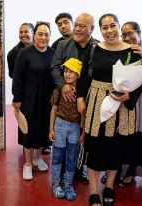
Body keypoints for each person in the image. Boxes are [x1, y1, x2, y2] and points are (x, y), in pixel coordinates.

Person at [77, 14, 142, 206]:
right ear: (100, 30)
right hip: (97, 102)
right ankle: (94, 191)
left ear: (119, 26)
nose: (109, 30)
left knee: (115, 148)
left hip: (121, 106)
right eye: (104, 27)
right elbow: (83, 78)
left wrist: (130, 95)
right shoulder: (93, 49)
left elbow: (141, 80)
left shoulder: (133, 51)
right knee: (94, 147)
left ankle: (110, 186)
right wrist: (80, 98)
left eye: (113, 25)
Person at [50, 13, 99, 182]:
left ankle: (80, 170)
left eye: (82, 26)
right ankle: (63, 174)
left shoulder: (98, 47)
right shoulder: (63, 45)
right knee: (64, 140)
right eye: (76, 25)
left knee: (83, 138)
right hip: (66, 100)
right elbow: (54, 67)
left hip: (89, 100)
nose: (77, 29)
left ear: (91, 29)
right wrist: (63, 85)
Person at [117, 21, 142, 186]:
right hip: (122, 101)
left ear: (139, 33)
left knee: (137, 139)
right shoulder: (122, 52)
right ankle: (117, 169)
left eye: (130, 33)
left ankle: (131, 171)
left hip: (141, 103)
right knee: (120, 138)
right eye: (124, 34)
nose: (127, 37)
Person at [12, 22, 54, 180]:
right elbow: (17, 77)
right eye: (40, 34)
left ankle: (38, 158)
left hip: (46, 99)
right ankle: (28, 164)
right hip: (28, 99)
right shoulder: (24, 53)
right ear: (34, 35)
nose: (43, 37)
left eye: (46, 34)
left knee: (43, 129)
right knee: (28, 131)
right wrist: (17, 98)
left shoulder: (52, 53)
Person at [49, 57, 84, 201]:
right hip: (60, 124)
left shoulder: (82, 92)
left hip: (75, 127)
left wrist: (83, 132)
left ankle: (68, 184)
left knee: (71, 157)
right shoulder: (59, 89)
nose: (67, 74)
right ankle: (56, 184)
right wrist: (51, 128)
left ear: (78, 74)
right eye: (66, 71)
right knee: (57, 155)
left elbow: (83, 114)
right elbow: (54, 108)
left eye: (72, 72)